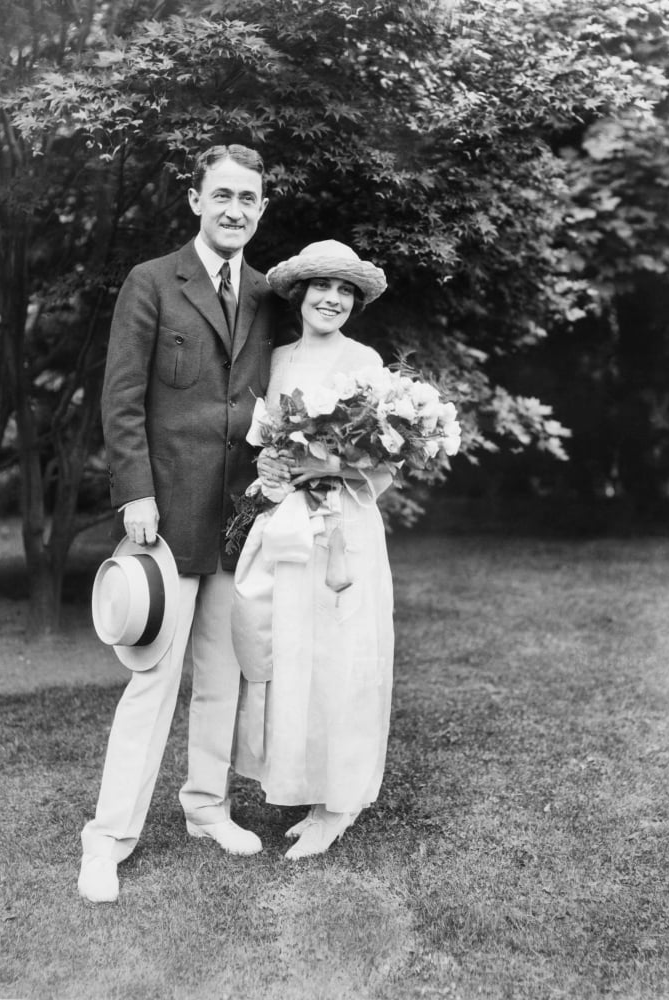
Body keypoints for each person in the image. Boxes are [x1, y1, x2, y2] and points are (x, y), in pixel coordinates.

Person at [78, 144, 286, 903]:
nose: (235, 209)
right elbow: (121, 399)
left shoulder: (269, 293)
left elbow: (276, 400)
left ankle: (206, 808)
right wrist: (133, 492)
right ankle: (106, 842)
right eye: (222, 195)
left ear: (262, 211)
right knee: (151, 682)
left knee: (221, 680)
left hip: (239, 519)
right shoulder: (152, 281)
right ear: (196, 200)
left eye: (249, 200)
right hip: (162, 520)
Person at [230, 240, 395, 860]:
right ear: (300, 294)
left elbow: (382, 461)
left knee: (345, 654)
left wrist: (326, 466)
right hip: (290, 525)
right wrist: (275, 473)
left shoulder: (367, 362)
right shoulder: (274, 363)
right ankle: (304, 783)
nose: (333, 299)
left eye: (345, 290)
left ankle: (339, 802)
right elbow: (265, 447)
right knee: (293, 650)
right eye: (322, 287)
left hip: (344, 526)